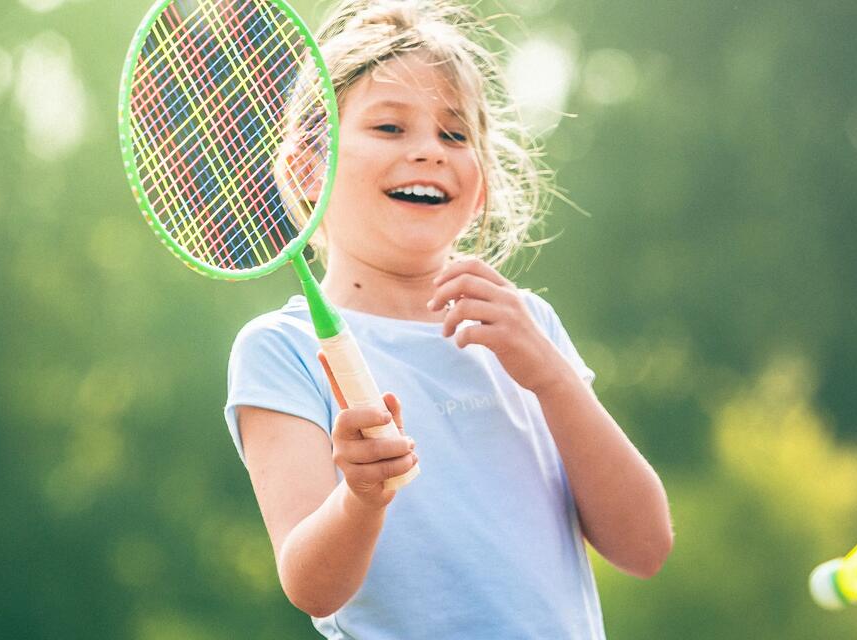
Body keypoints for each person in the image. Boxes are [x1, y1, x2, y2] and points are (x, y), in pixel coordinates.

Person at [223, 1, 672, 637]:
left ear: (481, 186)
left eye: (455, 135)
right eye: (389, 128)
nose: (429, 152)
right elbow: (312, 588)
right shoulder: (281, 350)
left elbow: (644, 546)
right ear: (305, 167)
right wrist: (361, 497)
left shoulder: (525, 325)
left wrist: (550, 375)